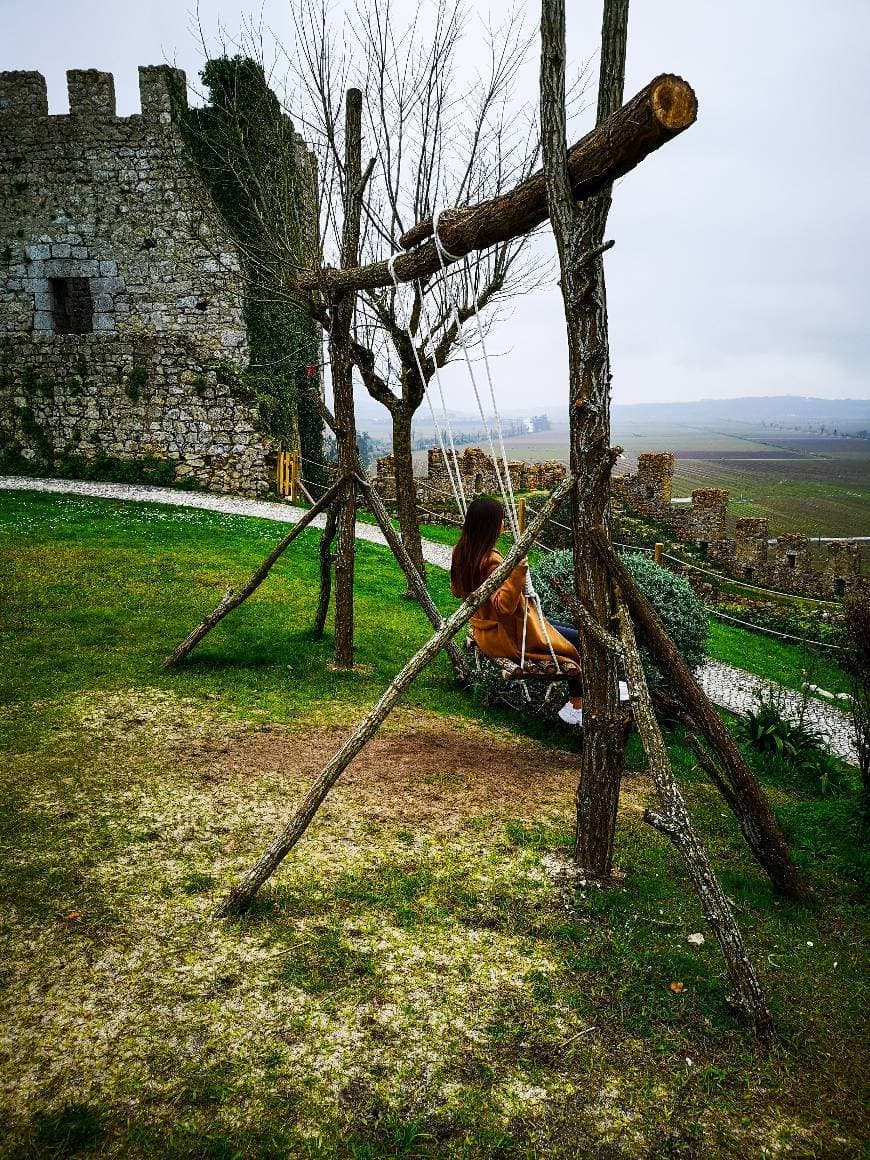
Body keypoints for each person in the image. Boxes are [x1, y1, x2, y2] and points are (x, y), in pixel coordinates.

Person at [450, 496, 585, 726]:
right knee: (583, 640)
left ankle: (583, 698)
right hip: (509, 636)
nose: (504, 524)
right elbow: (503, 608)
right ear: (491, 525)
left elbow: (456, 590)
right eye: (501, 520)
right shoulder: (490, 561)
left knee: (571, 631)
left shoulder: (462, 552)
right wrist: (517, 572)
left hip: (487, 631)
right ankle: (577, 703)